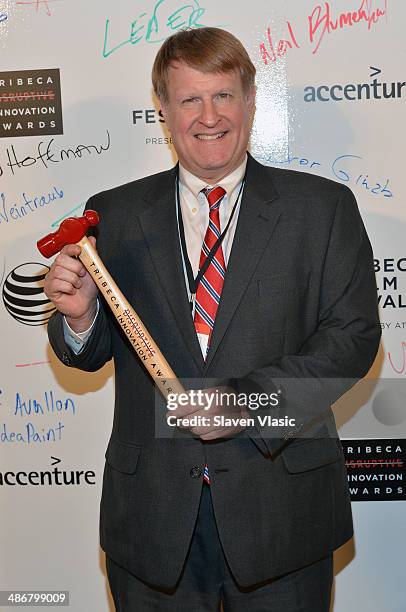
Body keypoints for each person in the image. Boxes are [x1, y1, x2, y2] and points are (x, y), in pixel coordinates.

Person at [44, 27, 380, 612]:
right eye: (189, 99)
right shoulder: (116, 214)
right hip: (152, 520)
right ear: (163, 112)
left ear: (251, 100)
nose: (209, 116)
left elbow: (353, 339)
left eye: (223, 95)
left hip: (281, 515)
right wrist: (79, 318)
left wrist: (246, 403)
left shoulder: (322, 208)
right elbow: (93, 347)